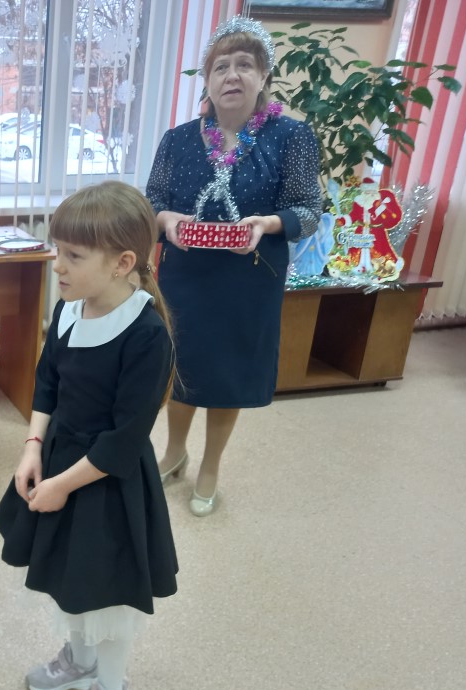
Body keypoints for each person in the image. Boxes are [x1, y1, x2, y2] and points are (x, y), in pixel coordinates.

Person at [0, 182, 178, 690]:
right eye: (58, 250)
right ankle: (79, 660)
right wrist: (32, 447)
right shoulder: (68, 310)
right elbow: (48, 381)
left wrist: (61, 486)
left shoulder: (146, 334)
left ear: (123, 263)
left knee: (109, 596)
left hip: (105, 481)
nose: (58, 265)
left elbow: (124, 440)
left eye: (73, 255)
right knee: (69, 575)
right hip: (59, 463)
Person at [145, 16, 321, 516]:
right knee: (182, 366)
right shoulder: (178, 139)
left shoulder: (292, 136)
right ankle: (175, 451)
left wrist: (269, 223)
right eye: (221, 66)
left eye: (245, 64)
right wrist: (166, 219)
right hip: (184, 277)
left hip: (250, 279)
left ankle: (211, 465)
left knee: (229, 374)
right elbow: (151, 201)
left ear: (263, 76)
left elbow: (309, 209)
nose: (232, 75)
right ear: (207, 79)